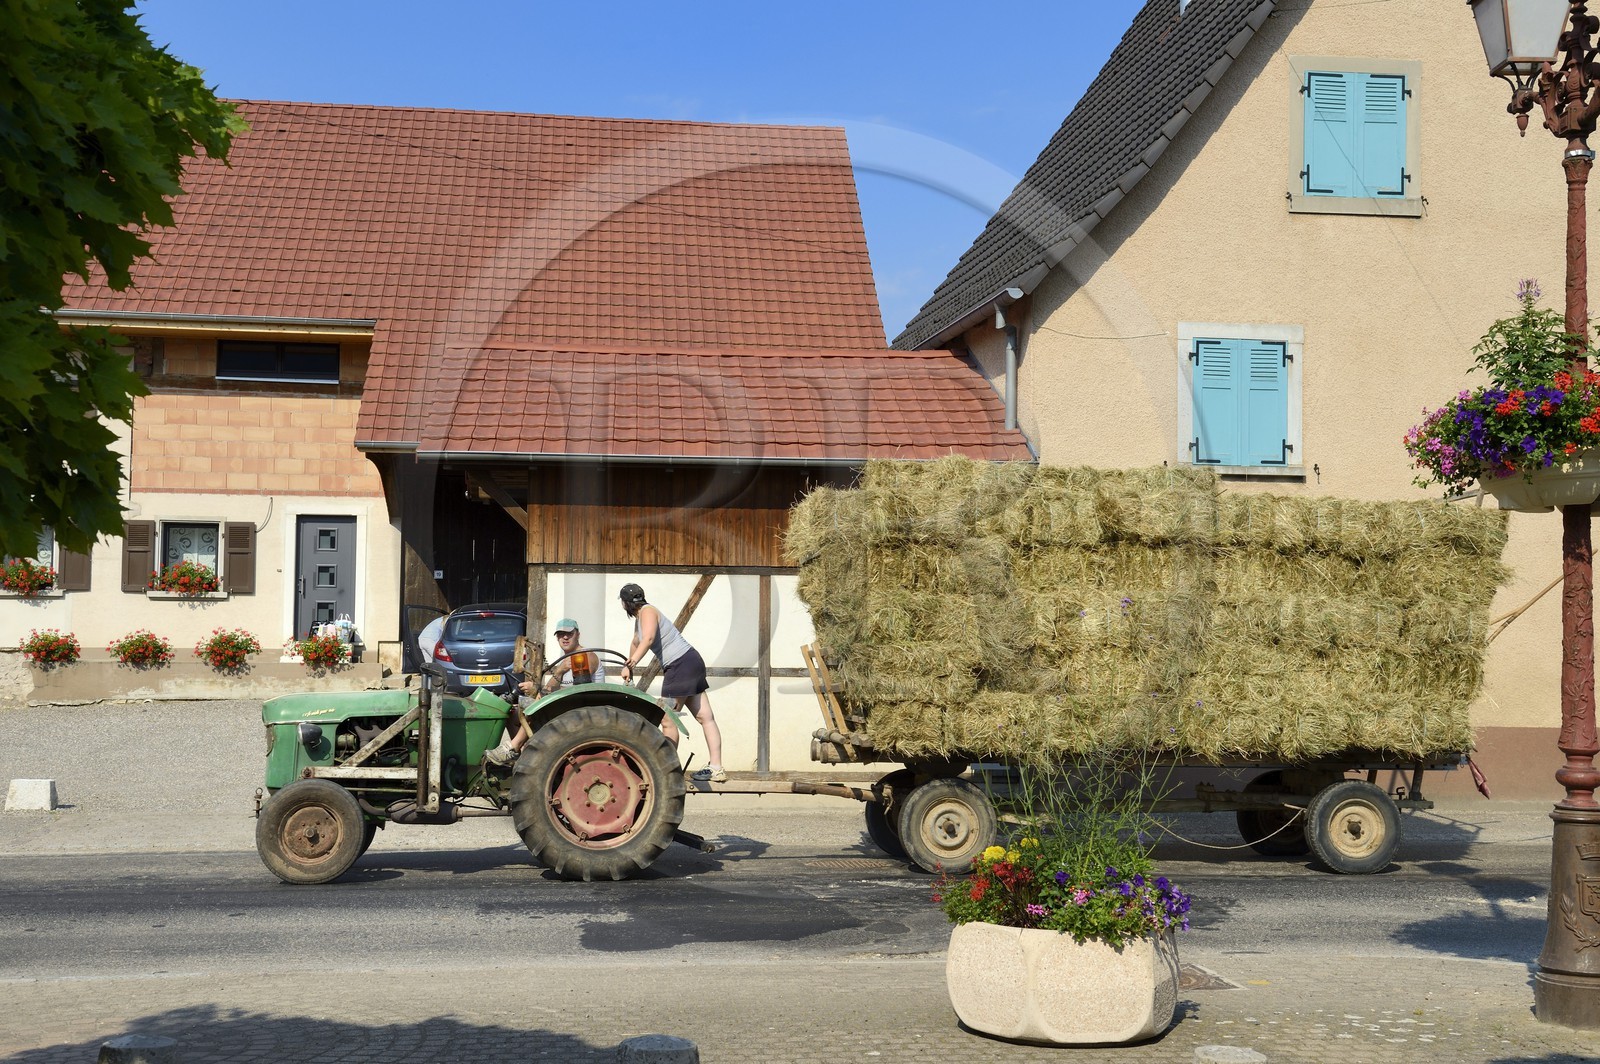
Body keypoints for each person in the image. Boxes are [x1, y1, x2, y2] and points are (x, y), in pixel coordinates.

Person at [617, 582, 725, 783]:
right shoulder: (641, 617)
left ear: (625, 603)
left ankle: (666, 771)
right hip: (690, 660)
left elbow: (647, 639)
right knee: (705, 717)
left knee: (667, 718)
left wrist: (631, 663)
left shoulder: (648, 612)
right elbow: (636, 642)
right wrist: (629, 667)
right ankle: (716, 767)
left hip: (680, 664)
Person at [486, 618, 606, 766]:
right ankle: (522, 755)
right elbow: (550, 688)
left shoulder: (585, 657)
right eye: (561, 634)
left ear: (578, 635)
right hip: (569, 706)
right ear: (557, 637)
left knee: (537, 704)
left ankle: (513, 747)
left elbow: (578, 692)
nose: (565, 637)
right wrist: (560, 671)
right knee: (512, 713)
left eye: (569, 634)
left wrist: (538, 690)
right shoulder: (565, 660)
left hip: (584, 709)